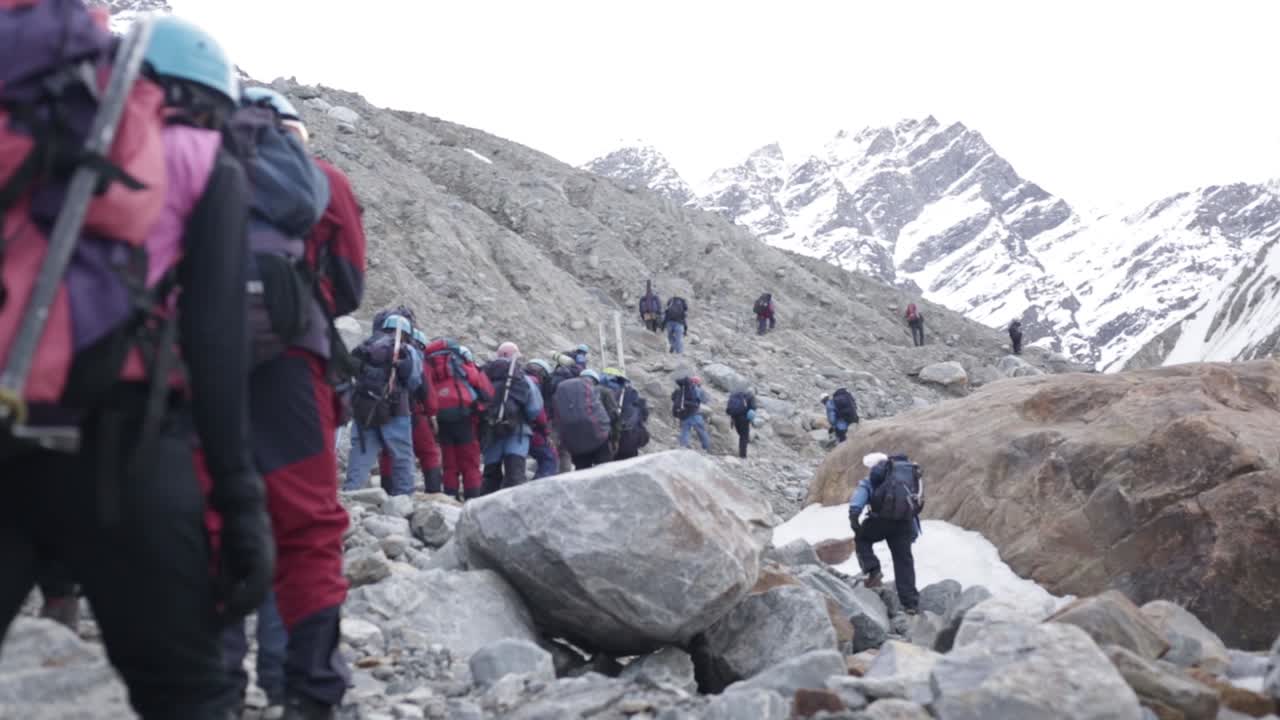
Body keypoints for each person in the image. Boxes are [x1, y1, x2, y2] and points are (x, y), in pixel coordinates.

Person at [0, 11, 271, 718]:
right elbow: (216, 345)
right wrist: (240, 507)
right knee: (188, 692)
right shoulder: (205, 157)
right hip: (119, 448)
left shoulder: (16, 122)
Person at [224, 83, 365, 719]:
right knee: (305, 526)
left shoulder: (189, 161)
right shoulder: (321, 178)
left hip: (194, 356)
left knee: (210, 518)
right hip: (292, 361)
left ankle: (213, 687)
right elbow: (350, 285)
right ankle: (301, 690)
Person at [343, 314, 422, 496]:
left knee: (361, 451)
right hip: (396, 409)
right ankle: (404, 497)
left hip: (364, 408)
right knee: (402, 455)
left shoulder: (367, 344)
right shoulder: (407, 349)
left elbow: (349, 368)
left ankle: (351, 493)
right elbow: (414, 381)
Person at [848, 452, 923, 614]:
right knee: (904, 560)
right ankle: (910, 603)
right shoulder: (909, 478)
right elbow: (913, 503)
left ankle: (873, 570)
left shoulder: (874, 478)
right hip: (903, 523)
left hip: (879, 520)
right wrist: (914, 531)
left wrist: (854, 516)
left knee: (862, 539)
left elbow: (860, 496)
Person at [426, 339, 491, 500]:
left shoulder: (428, 363)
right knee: (470, 462)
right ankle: (473, 497)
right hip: (464, 416)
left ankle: (450, 496)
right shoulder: (459, 361)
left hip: (440, 418)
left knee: (449, 463)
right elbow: (480, 384)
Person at [378, 329, 443, 493]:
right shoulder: (419, 361)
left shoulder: (384, 353)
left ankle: (387, 492)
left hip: (387, 410)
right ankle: (433, 492)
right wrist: (432, 413)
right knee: (428, 453)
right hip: (416, 413)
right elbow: (427, 392)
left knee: (388, 452)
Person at [480, 342, 543, 493]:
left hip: (490, 432)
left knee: (490, 477)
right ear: (513, 355)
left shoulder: (484, 376)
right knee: (515, 475)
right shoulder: (522, 378)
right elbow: (534, 408)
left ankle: (484, 510)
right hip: (517, 431)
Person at [552, 369, 619, 470]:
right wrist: (614, 438)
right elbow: (613, 415)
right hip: (599, 436)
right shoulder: (602, 390)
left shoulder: (566, 392)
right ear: (596, 380)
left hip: (574, 441)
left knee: (582, 470)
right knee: (604, 469)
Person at [603, 367, 650, 460]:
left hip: (606, 440)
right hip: (629, 438)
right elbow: (642, 415)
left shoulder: (599, 391)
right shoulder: (630, 392)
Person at [523, 359, 559, 478]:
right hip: (528, 430)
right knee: (550, 458)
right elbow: (538, 412)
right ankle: (540, 490)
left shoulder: (515, 379)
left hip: (499, 430)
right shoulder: (534, 384)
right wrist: (546, 433)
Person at [548, 352, 581, 472]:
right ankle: (564, 477)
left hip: (554, 417)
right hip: (572, 419)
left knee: (552, 447)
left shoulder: (556, 376)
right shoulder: (578, 377)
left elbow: (548, 392)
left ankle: (550, 475)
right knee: (565, 450)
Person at [672, 376, 711, 451]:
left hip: (683, 414)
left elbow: (673, 398)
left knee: (685, 431)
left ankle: (683, 447)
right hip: (695, 414)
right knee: (701, 431)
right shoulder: (698, 390)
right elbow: (705, 400)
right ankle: (707, 447)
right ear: (698, 382)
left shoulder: (681, 389)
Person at [725, 387, 757, 459]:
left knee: (741, 435)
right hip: (744, 420)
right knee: (744, 437)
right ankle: (743, 456)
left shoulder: (737, 395)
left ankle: (741, 452)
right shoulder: (751, 397)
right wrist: (752, 421)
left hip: (735, 419)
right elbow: (753, 409)